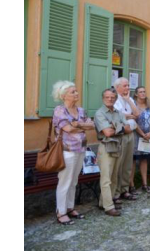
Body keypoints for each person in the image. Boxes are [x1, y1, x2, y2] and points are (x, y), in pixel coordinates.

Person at [51, 81, 94, 225]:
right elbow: (68, 129)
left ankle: (70, 208)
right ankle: (61, 212)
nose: (76, 93)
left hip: (80, 149)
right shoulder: (59, 110)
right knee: (65, 181)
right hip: (66, 151)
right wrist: (81, 126)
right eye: (73, 92)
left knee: (74, 181)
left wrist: (78, 125)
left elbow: (92, 125)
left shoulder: (81, 110)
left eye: (76, 91)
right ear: (64, 95)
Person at [94, 88, 132, 217]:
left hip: (118, 146)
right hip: (106, 147)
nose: (110, 99)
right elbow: (107, 133)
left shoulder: (118, 112)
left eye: (112, 97)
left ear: (115, 99)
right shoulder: (99, 113)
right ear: (103, 98)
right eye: (107, 97)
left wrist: (114, 126)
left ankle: (103, 202)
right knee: (106, 178)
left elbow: (128, 129)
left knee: (114, 176)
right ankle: (108, 207)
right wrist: (119, 126)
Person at [113, 77, 139, 201]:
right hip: (121, 135)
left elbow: (137, 114)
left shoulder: (129, 99)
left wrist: (128, 100)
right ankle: (116, 192)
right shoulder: (114, 99)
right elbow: (117, 115)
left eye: (128, 85)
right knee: (119, 164)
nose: (128, 88)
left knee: (128, 164)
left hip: (130, 134)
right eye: (125, 86)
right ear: (117, 87)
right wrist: (129, 115)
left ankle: (125, 189)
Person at [131, 86, 150, 193]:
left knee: (144, 159)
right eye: (140, 92)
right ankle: (132, 185)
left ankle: (144, 183)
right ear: (136, 94)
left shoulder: (149, 105)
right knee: (133, 160)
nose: (143, 93)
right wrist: (142, 134)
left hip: (148, 135)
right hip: (136, 135)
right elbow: (133, 122)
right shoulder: (133, 105)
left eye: (144, 91)